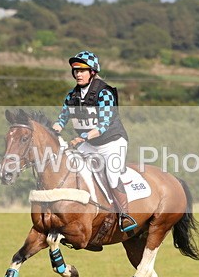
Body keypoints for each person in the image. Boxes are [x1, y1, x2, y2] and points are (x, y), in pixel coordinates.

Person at [52, 50, 137, 232]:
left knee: (112, 175)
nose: (78, 74)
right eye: (76, 71)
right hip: (89, 143)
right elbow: (62, 118)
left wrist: (82, 137)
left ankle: (125, 215)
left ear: (92, 72)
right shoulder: (72, 95)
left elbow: (104, 124)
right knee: (72, 168)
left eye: (82, 70)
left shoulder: (104, 92)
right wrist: (54, 129)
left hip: (112, 141)